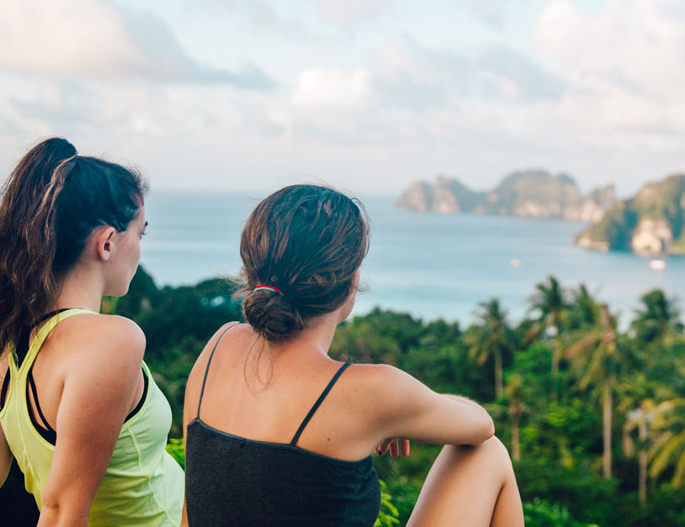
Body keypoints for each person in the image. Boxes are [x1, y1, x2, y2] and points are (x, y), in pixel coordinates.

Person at [183, 184, 523, 527]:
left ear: (252, 270)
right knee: (488, 452)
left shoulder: (219, 345)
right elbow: (481, 426)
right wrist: (404, 409)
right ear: (352, 280)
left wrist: (398, 410)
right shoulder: (369, 391)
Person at [0, 138, 184, 527]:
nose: (140, 248)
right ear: (107, 242)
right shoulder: (112, 339)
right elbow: (62, 512)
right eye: (141, 234)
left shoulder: (4, 338)